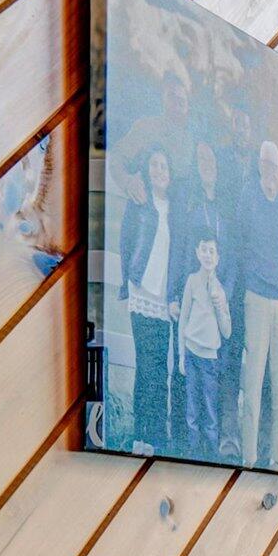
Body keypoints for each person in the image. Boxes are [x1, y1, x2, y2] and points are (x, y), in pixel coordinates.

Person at [233, 138, 278, 468]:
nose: (271, 170)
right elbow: (240, 241)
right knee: (254, 382)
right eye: (266, 164)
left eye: (275, 165)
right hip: (256, 295)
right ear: (259, 164)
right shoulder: (249, 196)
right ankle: (249, 457)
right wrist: (249, 283)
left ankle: (277, 459)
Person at [118, 148, 179, 452]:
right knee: (145, 365)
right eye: (154, 164)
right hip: (142, 293)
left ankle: (157, 436)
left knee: (160, 367)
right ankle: (141, 434)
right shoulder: (139, 201)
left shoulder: (174, 210)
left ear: (170, 173)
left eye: (163, 165)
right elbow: (126, 240)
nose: (158, 170)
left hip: (164, 299)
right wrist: (128, 280)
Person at [176, 236, 231, 454]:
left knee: (209, 407)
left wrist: (219, 306)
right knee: (192, 407)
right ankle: (193, 451)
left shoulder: (220, 289)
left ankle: (211, 453)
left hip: (210, 358)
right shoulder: (192, 281)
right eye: (204, 250)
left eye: (212, 252)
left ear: (218, 258)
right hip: (191, 353)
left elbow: (227, 331)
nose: (208, 255)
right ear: (197, 252)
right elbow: (183, 320)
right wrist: (181, 355)